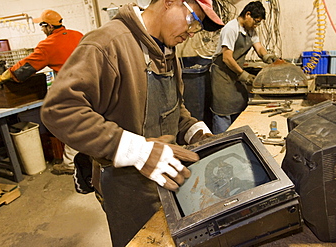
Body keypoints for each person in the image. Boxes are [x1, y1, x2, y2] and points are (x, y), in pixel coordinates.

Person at [40, 0, 224, 246]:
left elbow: (171, 107)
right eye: (193, 20)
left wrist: (194, 130)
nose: (192, 32)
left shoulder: (166, 49)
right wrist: (134, 150)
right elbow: (60, 109)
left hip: (162, 176)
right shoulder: (108, 44)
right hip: (124, 185)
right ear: (169, 3)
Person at [0, 9, 83, 175]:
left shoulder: (48, 45)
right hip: (95, 87)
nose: (42, 30)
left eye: (42, 26)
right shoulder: (78, 35)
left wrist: (2, 77)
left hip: (73, 91)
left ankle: (70, 163)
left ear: (48, 26)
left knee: (69, 126)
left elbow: (24, 68)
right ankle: (91, 158)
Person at [210, 1, 278, 134]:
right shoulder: (231, 28)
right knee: (223, 111)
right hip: (222, 75)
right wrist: (244, 75)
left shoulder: (250, 30)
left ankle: (236, 138)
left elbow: (259, 48)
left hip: (235, 73)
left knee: (239, 105)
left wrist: (268, 58)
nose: (256, 25)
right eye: (256, 21)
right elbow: (227, 58)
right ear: (248, 15)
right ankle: (221, 142)